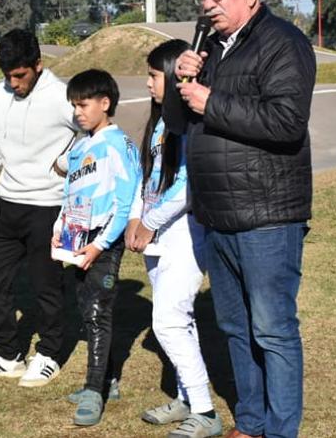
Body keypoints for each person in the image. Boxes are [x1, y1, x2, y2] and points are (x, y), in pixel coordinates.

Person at [175, 0, 316, 438]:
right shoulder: (209, 48)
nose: (208, 3)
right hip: (218, 215)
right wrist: (181, 80)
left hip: (267, 217)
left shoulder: (283, 42)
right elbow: (179, 122)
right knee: (235, 328)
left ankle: (280, 430)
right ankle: (252, 422)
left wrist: (211, 102)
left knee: (273, 330)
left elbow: (286, 122)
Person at [0, 29, 78, 386]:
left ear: (38, 65)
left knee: (46, 284)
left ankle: (49, 353)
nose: (13, 83)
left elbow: (93, 132)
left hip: (49, 205)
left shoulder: (61, 96)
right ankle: (8, 353)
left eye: (20, 75)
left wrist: (67, 162)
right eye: (8, 76)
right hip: (8, 203)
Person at [129, 39, 223, 438]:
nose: (148, 83)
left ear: (173, 75)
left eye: (154, 75)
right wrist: (136, 217)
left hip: (184, 234)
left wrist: (150, 221)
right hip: (156, 237)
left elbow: (188, 186)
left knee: (167, 322)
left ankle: (205, 412)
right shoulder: (159, 122)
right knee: (179, 321)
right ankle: (186, 397)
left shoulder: (189, 124)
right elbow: (148, 174)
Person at [52, 69, 139, 427]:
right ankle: (107, 379)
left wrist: (100, 245)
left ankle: (93, 390)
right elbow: (71, 193)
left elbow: (125, 202)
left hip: (104, 244)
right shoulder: (81, 144)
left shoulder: (118, 145)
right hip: (77, 243)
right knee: (86, 308)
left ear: (105, 103)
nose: (77, 112)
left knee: (97, 311)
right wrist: (59, 229)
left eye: (83, 105)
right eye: (74, 106)